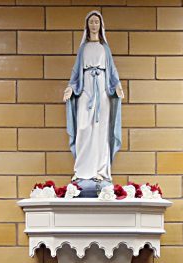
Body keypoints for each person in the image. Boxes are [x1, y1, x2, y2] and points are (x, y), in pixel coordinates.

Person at [64, 10, 124, 184]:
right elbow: (76, 71)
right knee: (83, 128)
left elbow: (112, 71)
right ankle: (82, 170)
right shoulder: (83, 48)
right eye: (91, 22)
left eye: (97, 22)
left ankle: (101, 170)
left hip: (102, 93)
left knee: (101, 130)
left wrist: (118, 86)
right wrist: (70, 87)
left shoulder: (105, 48)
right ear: (87, 25)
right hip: (86, 92)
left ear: (101, 25)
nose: (94, 25)